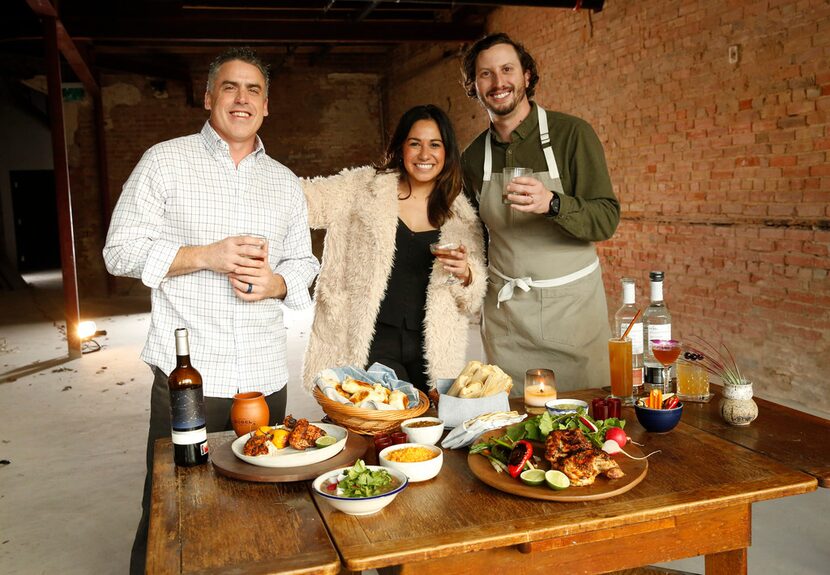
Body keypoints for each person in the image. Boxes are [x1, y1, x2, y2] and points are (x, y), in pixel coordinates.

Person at [103, 47, 319, 574]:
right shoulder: (165, 161)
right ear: (207, 97)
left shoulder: (284, 181)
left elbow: (305, 262)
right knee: (174, 502)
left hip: (264, 376)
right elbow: (118, 250)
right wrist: (206, 256)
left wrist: (276, 284)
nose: (241, 99)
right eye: (229, 87)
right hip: (190, 377)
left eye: (253, 90)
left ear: (267, 106)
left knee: (263, 496)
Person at [460, 33, 620, 394]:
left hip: (572, 314)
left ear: (527, 76)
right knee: (511, 427)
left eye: (507, 70)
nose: (498, 82)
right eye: (486, 74)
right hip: (507, 320)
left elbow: (606, 218)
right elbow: (475, 237)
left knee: (583, 423)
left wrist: (553, 203)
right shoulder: (472, 157)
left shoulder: (572, 135)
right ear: (474, 85)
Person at [301, 104, 487, 395]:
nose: (425, 155)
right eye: (415, 144)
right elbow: (308, 200)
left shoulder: (461, 215)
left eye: (435, 145)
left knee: (424, 434)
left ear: (447, 152)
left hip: (430, 350)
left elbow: (473, 299)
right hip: (372, 339)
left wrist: (466, 274)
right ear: (401, 148)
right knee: (377, 423)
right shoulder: (363, 188)